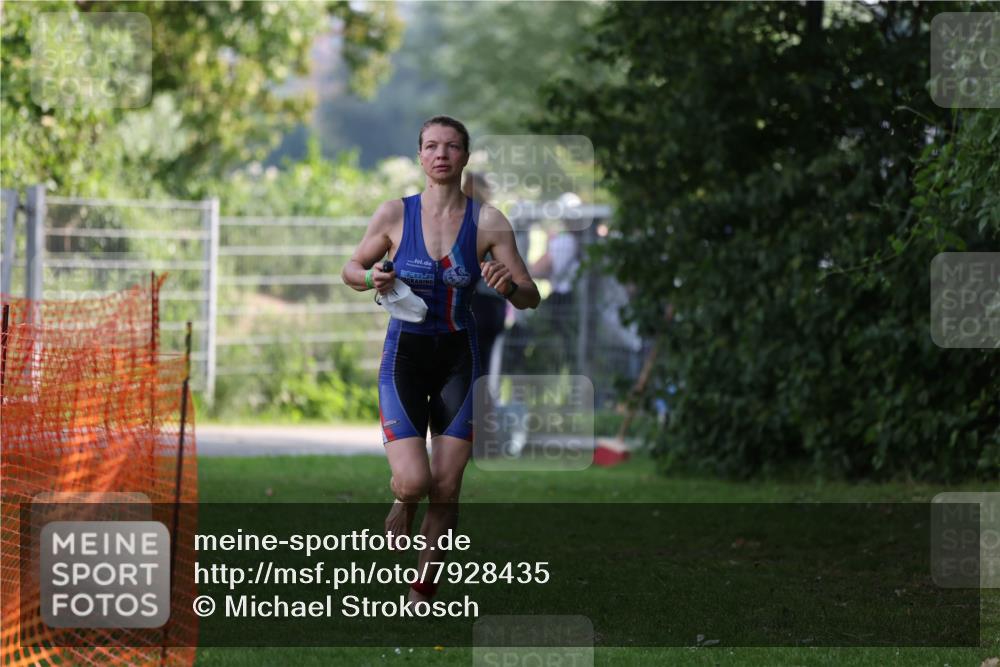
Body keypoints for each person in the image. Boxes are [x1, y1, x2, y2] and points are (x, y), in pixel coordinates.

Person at [341, 116, 540, 603]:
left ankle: (423, 587)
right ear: (420, 156)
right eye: (431, 146)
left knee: (446, 486)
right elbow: (351, 268)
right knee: (414, 481)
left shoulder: (488, 222)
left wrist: (508, 286)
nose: (441, 155)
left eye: (452, 147)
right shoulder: (394, 214)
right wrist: (373, 281)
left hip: (459, 359)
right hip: (404, 358)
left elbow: (530, 296)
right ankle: (403, 499)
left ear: (465, 157)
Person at [463, 171, 508, 375]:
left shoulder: (467, 222)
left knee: (468, 368)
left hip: (477, 303)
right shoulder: (497, 220)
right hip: (497, 304)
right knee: (484, 367)